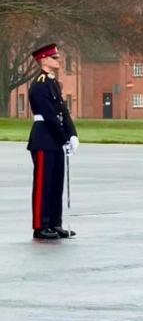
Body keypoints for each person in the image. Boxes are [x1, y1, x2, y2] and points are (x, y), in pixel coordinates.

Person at [27, 43, 79, 240]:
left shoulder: (54, 83)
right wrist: (63, 138)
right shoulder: (39, 85)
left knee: (56, 183)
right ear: (43, 60)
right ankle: (41, 225)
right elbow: (49, 116)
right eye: (54, 58)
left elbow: (62, 111)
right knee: (43, 184)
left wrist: (72, 134)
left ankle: (54, 223)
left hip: (55, 139)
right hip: (44, 139)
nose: (58, 60)